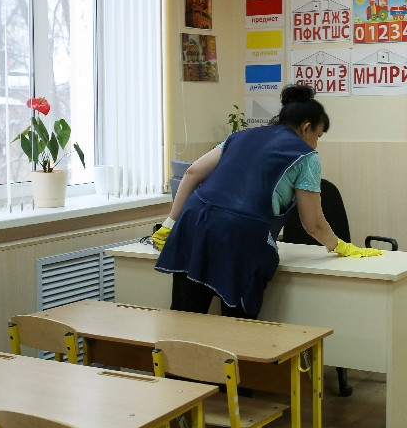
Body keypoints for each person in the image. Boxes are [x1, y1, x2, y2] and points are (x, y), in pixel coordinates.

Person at [150, 84, 382, 320]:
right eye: (318, 136)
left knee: (184, 320)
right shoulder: (305, 155)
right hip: (239, 236)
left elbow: (192, 173)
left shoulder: (239, 137)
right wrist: (340, 246)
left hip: (193, 224)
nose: (315, 143)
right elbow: (313, 223)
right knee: (237, 326)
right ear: (306, 128)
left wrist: (170, 224)